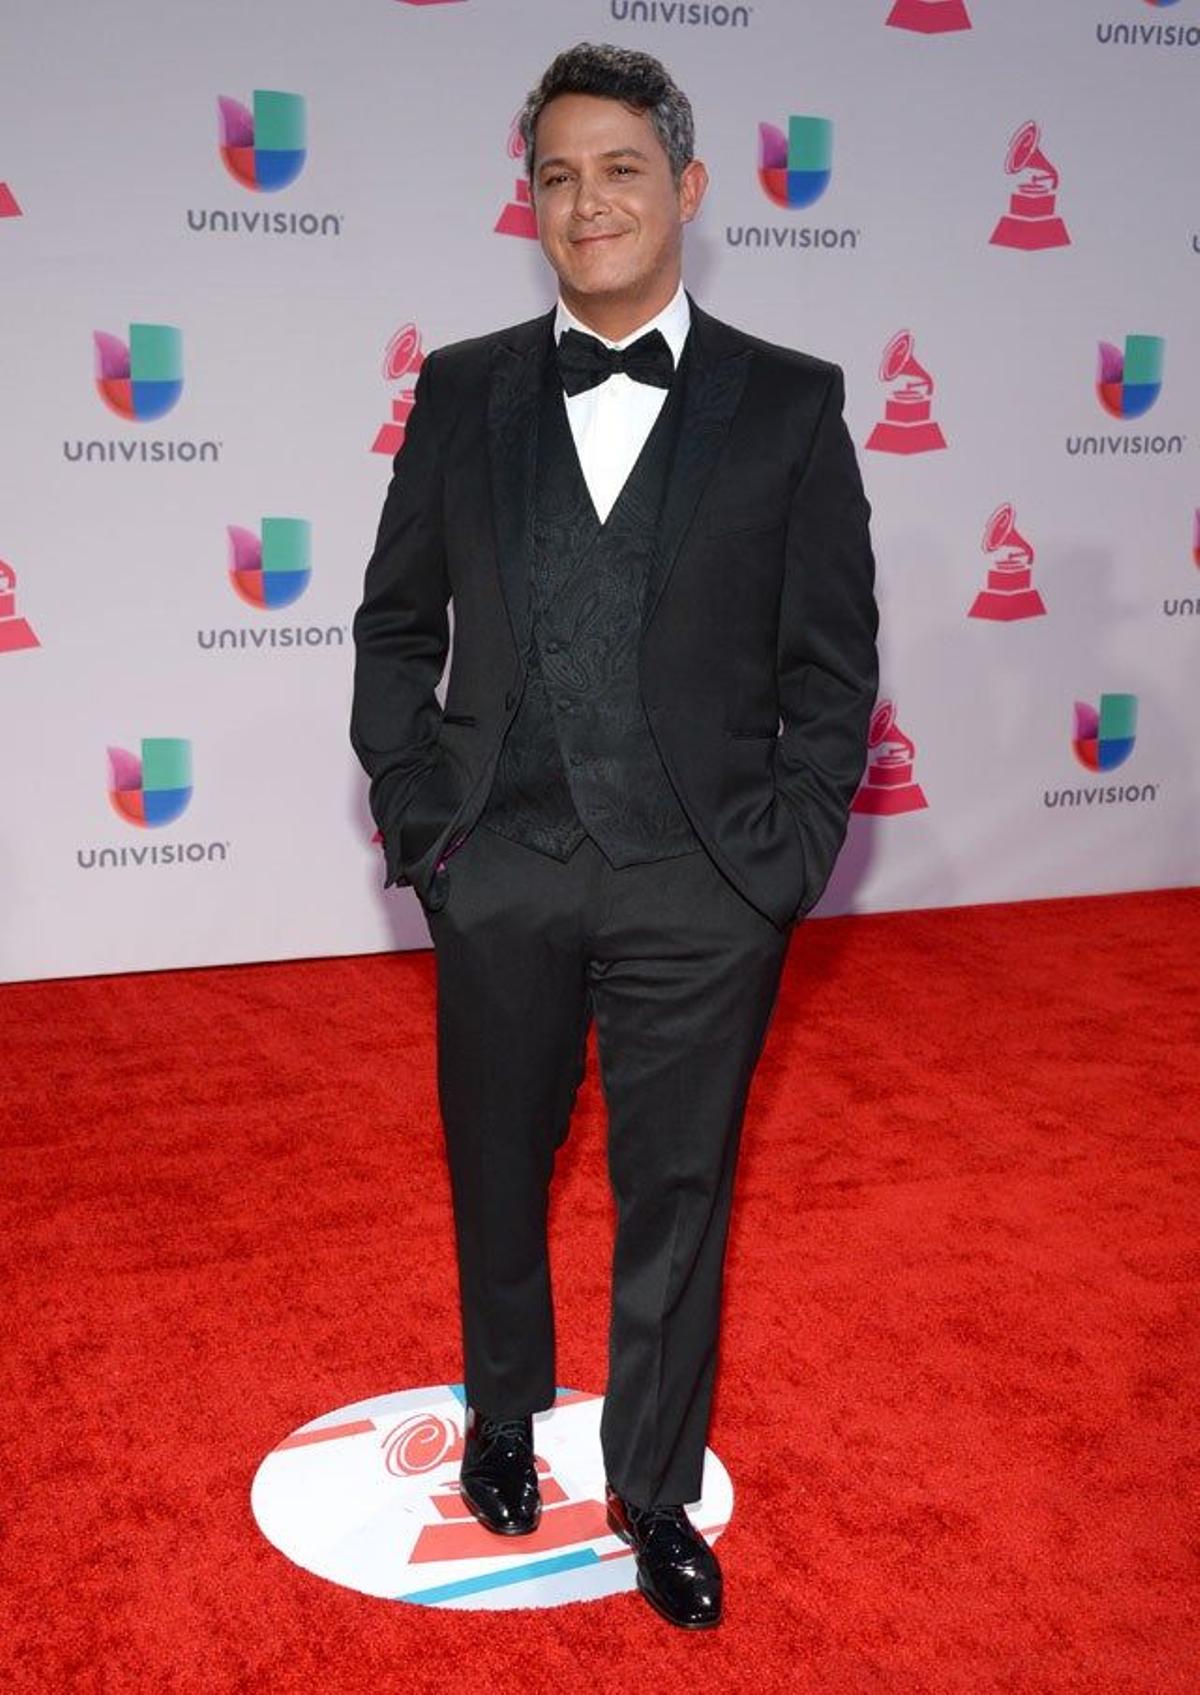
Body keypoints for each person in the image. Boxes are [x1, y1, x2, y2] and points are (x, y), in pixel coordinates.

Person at [350, 41, 879, 1630]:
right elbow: (393, 628)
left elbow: (834, 670)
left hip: (699, 885)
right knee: (497, 1169)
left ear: (688, 190)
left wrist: (771, 874)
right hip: (499, 865)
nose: (590, 202)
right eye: (559, 176)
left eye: (622, 169)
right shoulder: (461, 389)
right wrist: (426, 827)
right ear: (532, 204)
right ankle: (504, 1420)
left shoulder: (789, 406)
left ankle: (654, 1489)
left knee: (678, 1193)